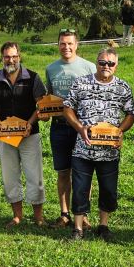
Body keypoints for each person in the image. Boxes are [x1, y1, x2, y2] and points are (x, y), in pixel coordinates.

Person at [62, 46, 134, 240]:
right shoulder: (81, 83)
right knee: (79, 188)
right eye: (102, 62)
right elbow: (67, 107)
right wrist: (79, 127)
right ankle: (77, 228)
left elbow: (131, 113)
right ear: (96, 63)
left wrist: (120, 130)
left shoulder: (123, 87)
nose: (106, 66)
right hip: (83, 149)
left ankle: (103, 225)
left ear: (116, 65)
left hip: (109, 151)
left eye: (110, 63)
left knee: (108, 189)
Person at [0, 42, 47, 227]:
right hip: (5, 136)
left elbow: (41, 104)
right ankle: (17, 216)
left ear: (19, 56)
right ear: (2, 58)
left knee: (35, 176)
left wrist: (30, 123)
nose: (10, 60)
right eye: (7, 57)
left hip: (29, 135)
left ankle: (38, 217)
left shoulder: (33, 78)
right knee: (10, 176)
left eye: (14, 56)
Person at [45, 29, 96, 228]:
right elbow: (49, 96)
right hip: (59, 127)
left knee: (84, 172)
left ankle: (82, 213)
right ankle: (65, 214)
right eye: (62, 43)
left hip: (82, 128)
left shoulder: (89, 67)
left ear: (77, 45)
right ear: (58, 45)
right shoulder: (51, 69)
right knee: (63, 172)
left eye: (69, 43)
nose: (66, 47)